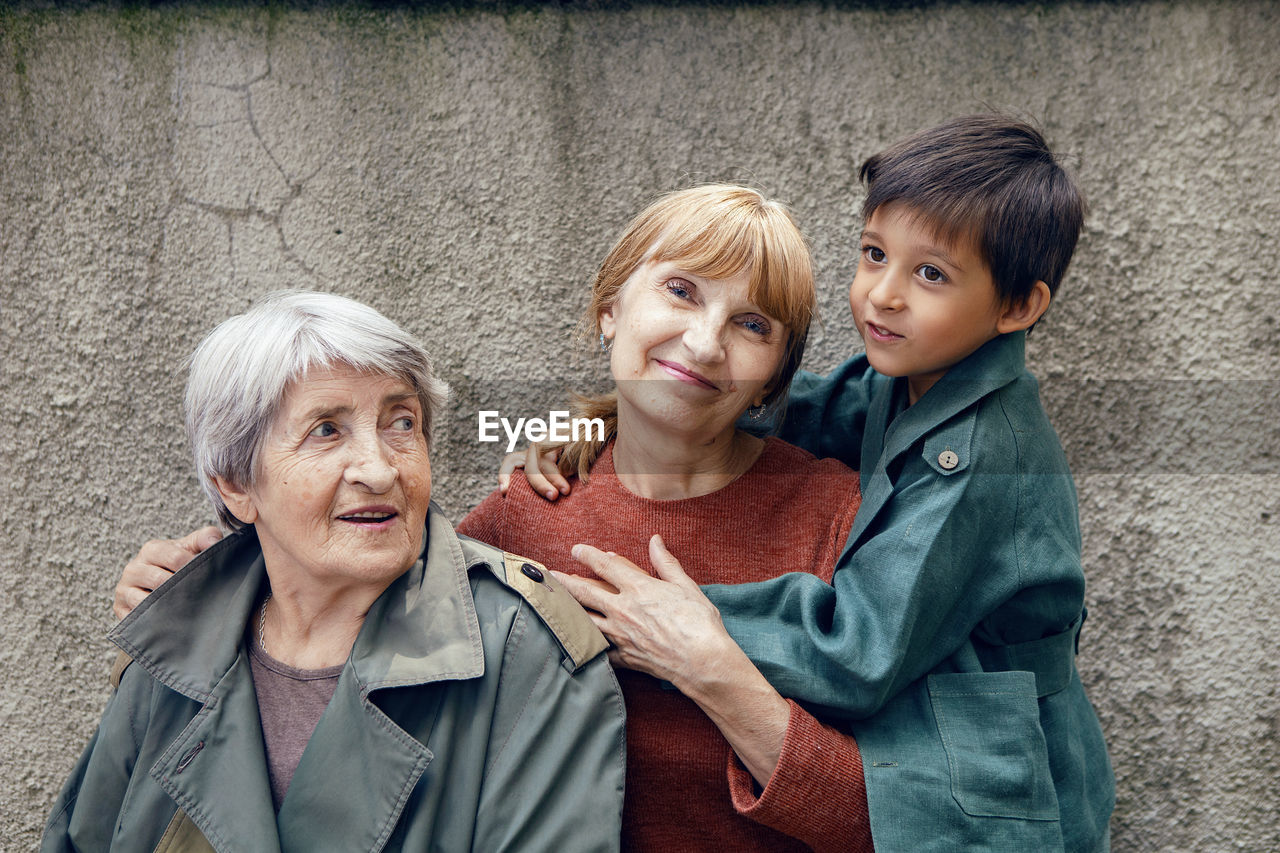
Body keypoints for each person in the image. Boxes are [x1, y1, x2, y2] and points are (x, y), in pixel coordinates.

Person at [110, 186, 874, 852]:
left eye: (752, 325)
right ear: (610, 310)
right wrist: (184, 610)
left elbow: (901, 822)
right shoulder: (523, 515)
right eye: (681, 290)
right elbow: (332, 613)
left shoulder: (838, 516)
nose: (705, 341)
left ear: (777, 371)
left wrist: (716, 673)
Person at [517, 116, 1115, 852]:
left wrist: (683, 616)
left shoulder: (983, 456)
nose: (884, 294)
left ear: (1017, 307)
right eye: (874, 253)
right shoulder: (909, 380)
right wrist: (610, 416)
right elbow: (779, 406)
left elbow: (855, 647)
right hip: (939, 734)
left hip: (999, 784)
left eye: (930, 274)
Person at [45, 291, 626, 852]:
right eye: (326, 429)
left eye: (402, 423)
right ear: (236, 485)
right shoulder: (173, 638)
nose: (378, 470)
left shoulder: (523, 646)